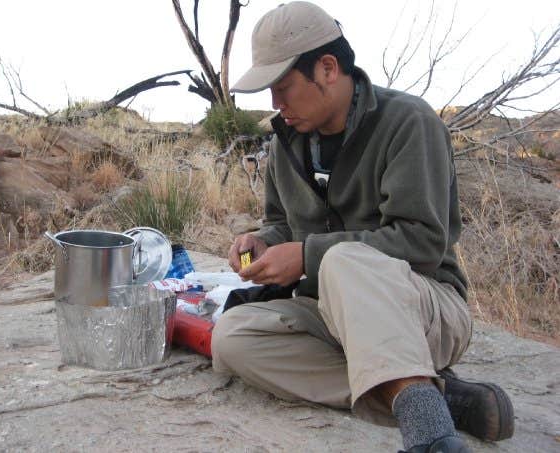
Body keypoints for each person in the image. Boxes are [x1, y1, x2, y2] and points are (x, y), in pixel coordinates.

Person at [211, 2, 514, 452]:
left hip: (424, 308)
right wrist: (262, 240)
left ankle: (431, 438)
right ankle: (435, 397)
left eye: (283, 87)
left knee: (342, 261)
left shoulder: (408, 122)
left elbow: (424, 242)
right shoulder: (285, 143)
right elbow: (281, 223)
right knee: (230, 340)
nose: (275, 103)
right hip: (333, 315)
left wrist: (309, 256)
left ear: (328, 68)